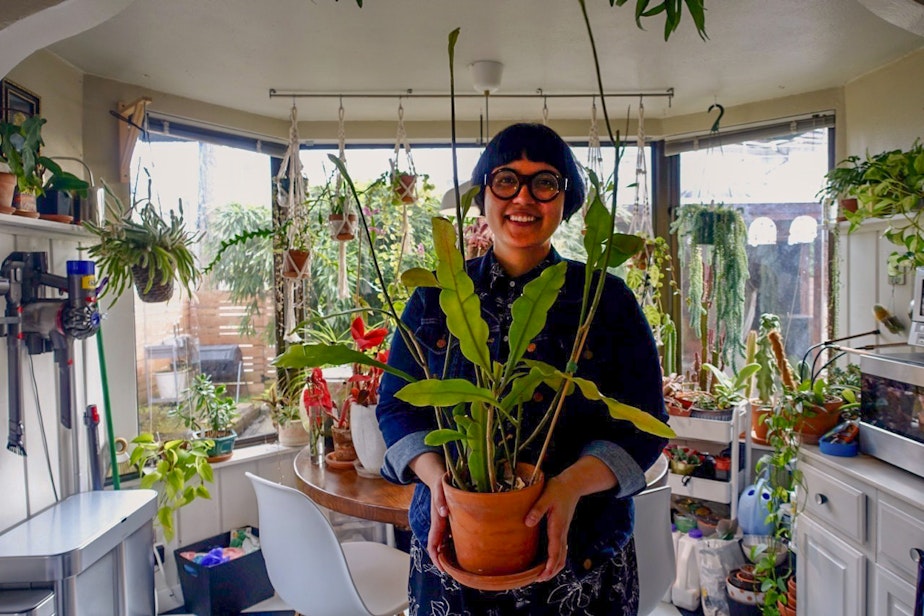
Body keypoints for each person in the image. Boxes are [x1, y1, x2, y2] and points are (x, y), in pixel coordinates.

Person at [377, 122, 667, 615]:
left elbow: (644, 425)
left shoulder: (606, 299)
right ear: (483, 193)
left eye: (546, 183)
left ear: (567, 198)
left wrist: (570, 486)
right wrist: (440, 482)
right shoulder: (434, 295)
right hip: (455, 551)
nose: (524, 198)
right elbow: (397, 406)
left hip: (580, 556)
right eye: (506, 180)